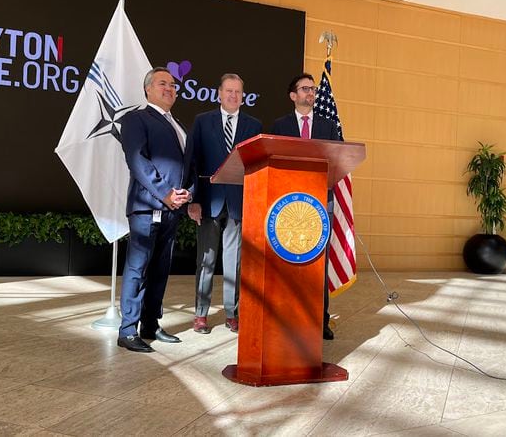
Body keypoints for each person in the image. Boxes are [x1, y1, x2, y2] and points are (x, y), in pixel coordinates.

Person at [116, 67, 195, 353]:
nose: (170, 88)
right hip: (147, 207)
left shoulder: (179, 125)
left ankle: (150, 324)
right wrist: (165, 193)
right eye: (163, 83)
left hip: (173, 209)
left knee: (161, 269)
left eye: (173, 85)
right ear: (148, 89)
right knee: (138, 268)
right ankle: (127, 330)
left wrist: (189, 192)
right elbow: (137, 160)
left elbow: (189, 167)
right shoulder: (136, 119)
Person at [187, 74, 262, 334]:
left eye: (238, 92)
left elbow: (256, 166)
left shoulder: (254, 126)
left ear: (243, 95)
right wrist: (193, 199)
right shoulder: (202, 122)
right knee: (206, 261)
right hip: (208, 202)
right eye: (228, 91)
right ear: (219, 93)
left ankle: (232, 313)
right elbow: (192, 162)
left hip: (239, 204)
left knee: (234, 262)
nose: (233, 96)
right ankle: (200, 315)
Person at [269, 73, 341, 340]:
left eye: (313, 89)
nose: (311, 93)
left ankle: (320, 321)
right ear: (293, 95)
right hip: (288, 205)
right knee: (288, 263)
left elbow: (338, 160)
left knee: (317, 265)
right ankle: (286, 317)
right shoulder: (279, 126)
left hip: (320, 203)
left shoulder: (329, 126)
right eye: (305, 89)